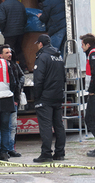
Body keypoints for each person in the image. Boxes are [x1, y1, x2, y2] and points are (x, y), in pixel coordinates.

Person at [33, 34, 66, 162]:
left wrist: (37, 97)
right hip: (57, 95)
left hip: (45, 97)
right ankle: (60, 153)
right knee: (58, 125)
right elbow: (63, 77)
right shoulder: (58, 56)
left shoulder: (42, 57)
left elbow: (38, 80)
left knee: (46, 126)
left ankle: (46, 154)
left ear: (40, 44)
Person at [0, 44, 24, 158]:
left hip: (14, 100)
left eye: (10, 52)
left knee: (13, 125)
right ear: (0, 55)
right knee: (3, 126)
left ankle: (11, 148)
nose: (10, 54)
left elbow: (22, 77)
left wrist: (18, 87)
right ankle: (3, 149)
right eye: (7, 53)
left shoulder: (14, 66)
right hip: (2, 100)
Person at [0, 0, 28, 72]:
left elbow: (2, 19)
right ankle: (24, 68)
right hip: (20, 31)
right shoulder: (20, 4)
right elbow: (25, 18)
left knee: (7, 51)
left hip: (9, 32)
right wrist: (22, 28)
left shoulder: (3, 5)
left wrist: (3, 30)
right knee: (18, 49)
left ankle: (9, 69)